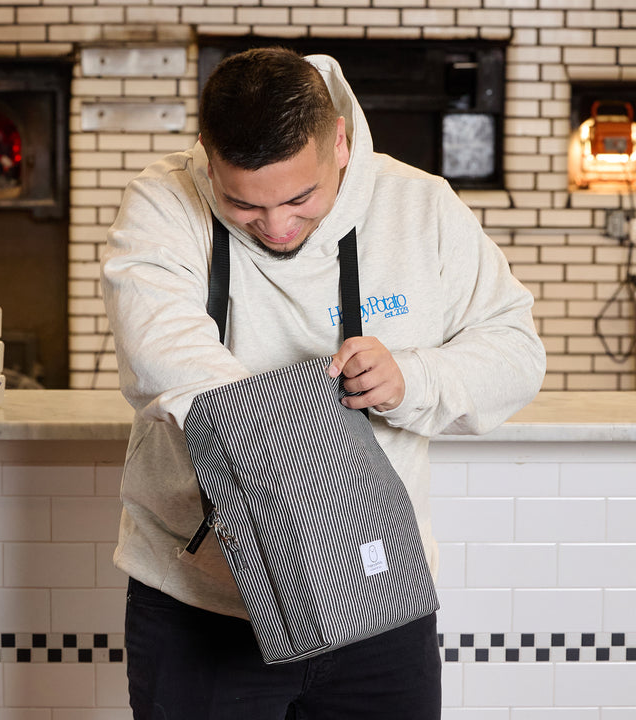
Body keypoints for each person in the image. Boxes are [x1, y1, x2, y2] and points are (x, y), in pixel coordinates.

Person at [101, 47, 546, 720]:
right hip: (204, 605)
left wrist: (413, 377)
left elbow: (516, 352)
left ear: (338, 141)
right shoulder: (162, 199)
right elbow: (168, 360)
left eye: (300, 197)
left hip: (378, 601)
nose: (277, 227)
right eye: (242, 203)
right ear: (206, 152)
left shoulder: (423, 208)